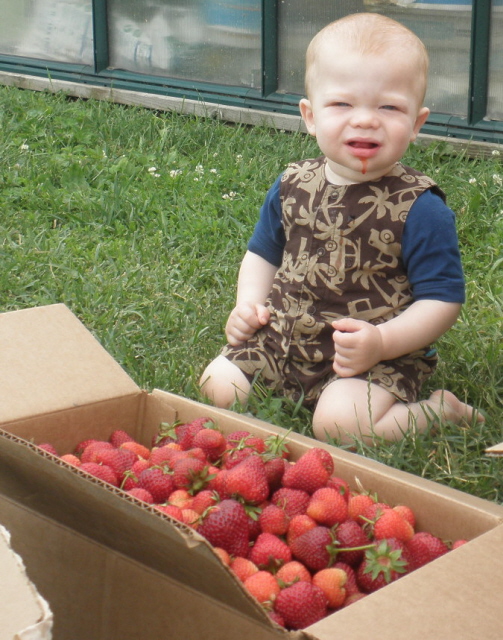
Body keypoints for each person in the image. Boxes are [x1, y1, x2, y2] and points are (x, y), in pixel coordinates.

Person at [199, 12, 483, 445]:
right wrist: (249, 306)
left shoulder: (420, 208)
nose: (365, 119)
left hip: (370, 355)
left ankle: (438, 410)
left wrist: (382, 342)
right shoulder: (292, 183)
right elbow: (263, 254)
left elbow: (442, 301)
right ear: (310, 116)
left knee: (340, 428)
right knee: (216, 387)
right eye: (342, 104)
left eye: (388, 106)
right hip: (284, 338)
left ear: (416, 123)